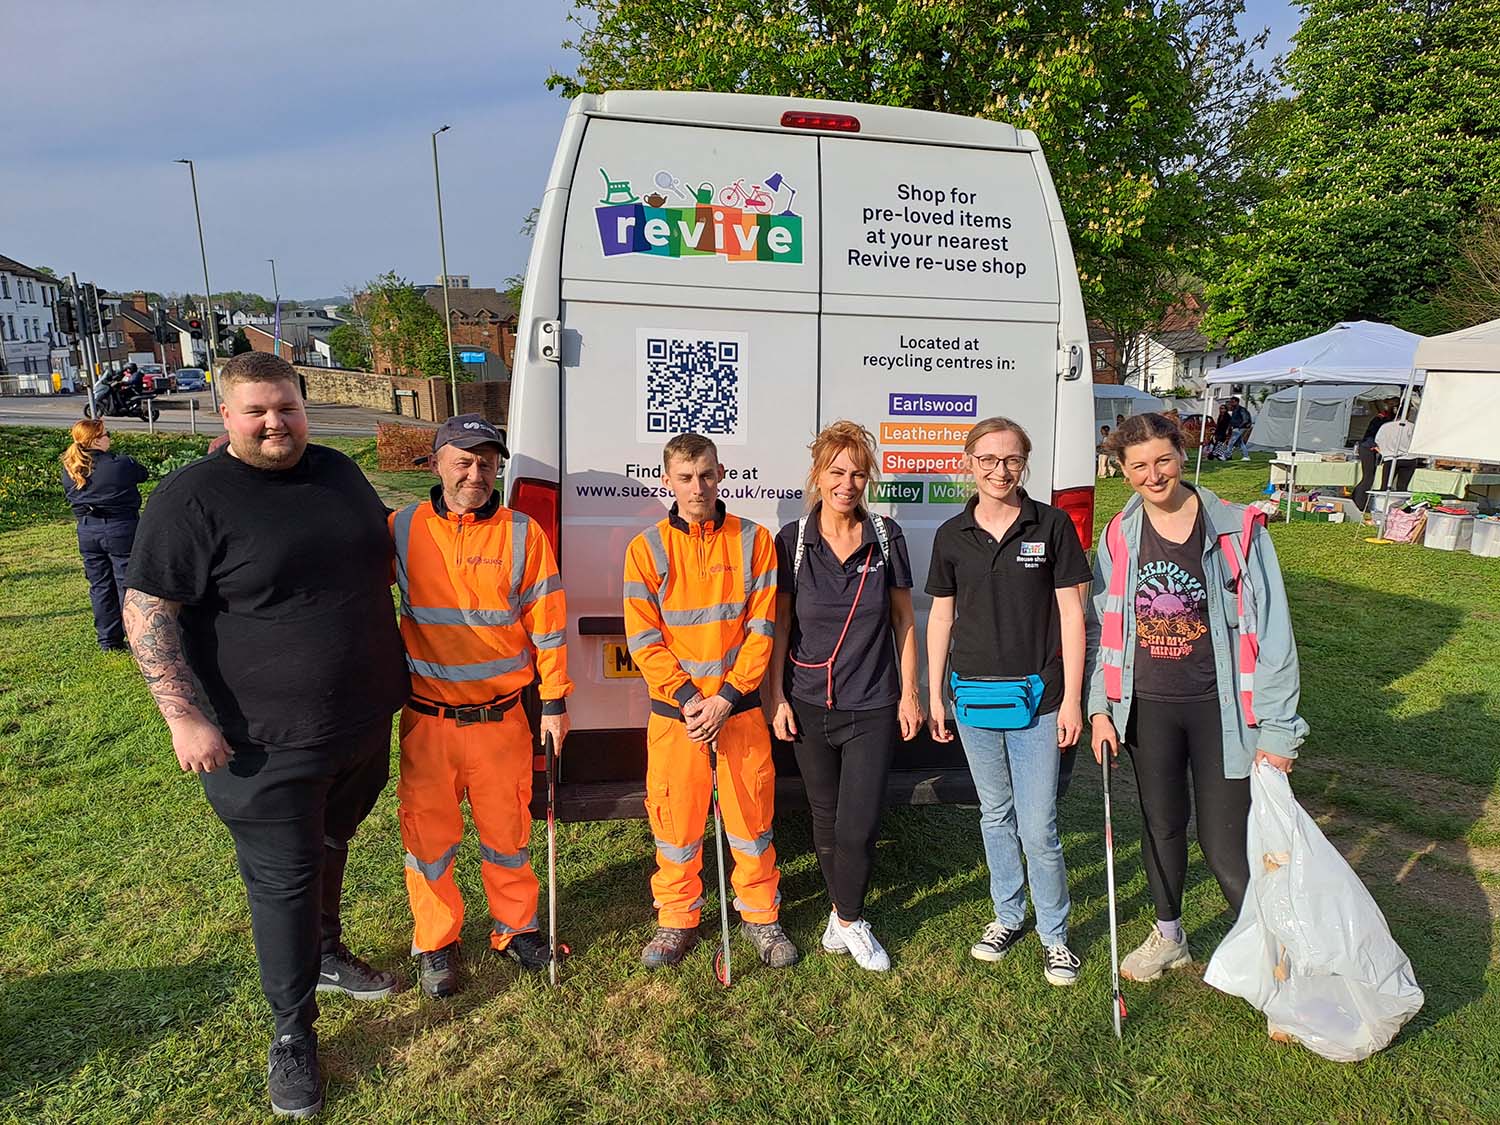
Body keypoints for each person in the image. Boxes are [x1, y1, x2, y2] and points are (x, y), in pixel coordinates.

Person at [123, 352, 408, 1119]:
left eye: (285, 406)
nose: (275, 423)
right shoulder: (194, 497)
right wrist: (183, 714)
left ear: (303, 406)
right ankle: (292, 1033)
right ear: (227, 417)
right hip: (262, 742)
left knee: (334, 841)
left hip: (360, 721)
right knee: (282, 879)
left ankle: (327, 952)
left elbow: (378, 558)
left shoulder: (337, 472)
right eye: (256, 411)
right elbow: (148, 610)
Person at [1087, 413, 1306, 1005]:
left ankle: (1273, 956)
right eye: (1138, 466)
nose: (1153, 474)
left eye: (1163, 460)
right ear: (1122, 471)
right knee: (1161, 827)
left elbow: (1275, 632)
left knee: (1224, 842)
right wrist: (1100, 706)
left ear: (1181, 456)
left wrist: (1280, 728)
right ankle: (1169, 936)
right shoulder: (1116, 537)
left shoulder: (1239, 529)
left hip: (1222, 711)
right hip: (1148, 707)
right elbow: (1104, 629)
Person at [391, 414, 572, 998]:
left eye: (488, 463)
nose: (477, 472)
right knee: (429, 842)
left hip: (502, 720)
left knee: (508, 834)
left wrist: (554, 703)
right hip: (429, 720)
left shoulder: (523, 534)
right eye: (464, 460)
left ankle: (516, 927)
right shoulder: (401, 528)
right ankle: (437, 941)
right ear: (438, 461)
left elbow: (548, 626)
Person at [925, 417, 1091, 985]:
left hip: (1039, 699)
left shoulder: (1052, 525)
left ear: (1025, 463)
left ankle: (1055, 935)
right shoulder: (951, 534)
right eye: (988, 460)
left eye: (1012, 460)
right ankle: (1007, 915)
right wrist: (934, 694)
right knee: (994, 815)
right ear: (968, 463)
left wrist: (1072, 698)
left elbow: (1073, 613)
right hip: (972, 698)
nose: (1000, 471)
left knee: (1038, 824)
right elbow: (941, 616)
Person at [623, 432, 797, 970]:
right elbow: (643, 638)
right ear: (667, 481)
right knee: (676, 824)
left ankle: (761, 918)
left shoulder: (755, 540)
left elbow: (763, 630)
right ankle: (676, 921)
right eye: (685, 477)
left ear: (721, 474)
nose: (697, 487)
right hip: (677, 717)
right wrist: (690, 699)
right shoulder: (646, 548)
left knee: (751, 819)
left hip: (738, 711)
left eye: (706, 475)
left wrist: (724, 697)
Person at [766, 421, 921, 972]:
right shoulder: (793, 541)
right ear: (817, 475)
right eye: (837, 471)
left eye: (858, 472)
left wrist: (911, 693)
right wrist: (775, 696)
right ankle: (842, 915)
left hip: (873, 702)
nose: (847, 483)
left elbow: (904, 619)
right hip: (808, 703)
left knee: (859, 823)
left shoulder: (886, 536)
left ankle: (851, 919)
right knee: (825, 818)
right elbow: (780, 626)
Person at [60, 418, 148, 651]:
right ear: (97, 440)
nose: (109, 437)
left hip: (87, 529)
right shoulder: (119, 464)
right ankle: (134, 635)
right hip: (121, 528)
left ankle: (108, 640)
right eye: (106, 434)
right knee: (126, 584)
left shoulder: (71, 467)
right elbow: (143, 474)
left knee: (99, 585)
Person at [1352, 399, 1397, 509]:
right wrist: (1376, 447)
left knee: (1369, 478)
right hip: (1368, 447)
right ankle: (1358, 504)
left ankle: (1357, 501)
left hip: (1373, 447)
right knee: (1368, 478)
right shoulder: (1380, 419)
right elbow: (1371, 435)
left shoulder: (1390, 419)